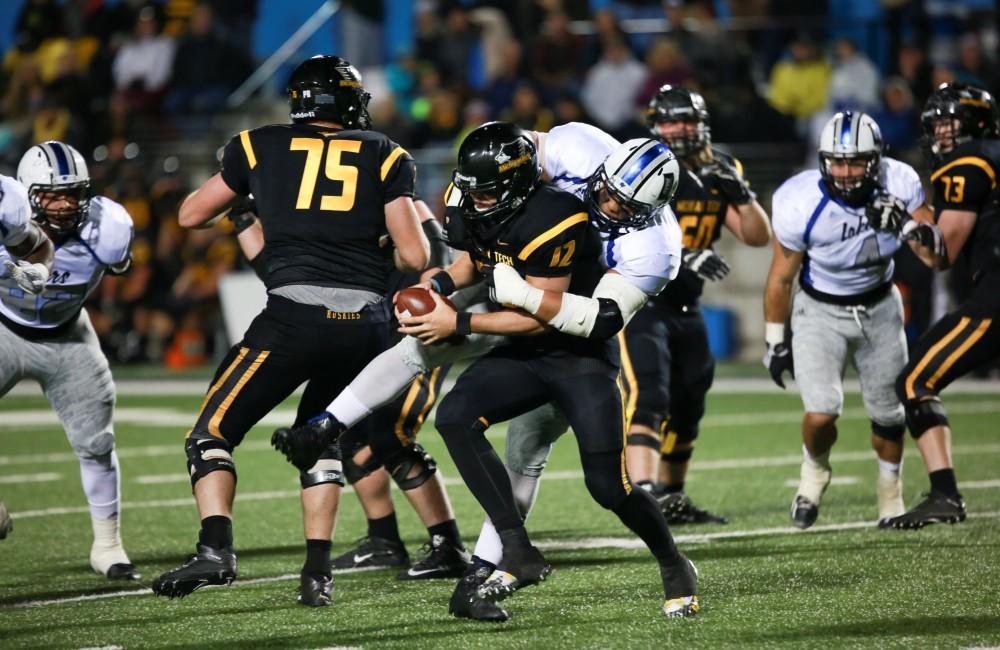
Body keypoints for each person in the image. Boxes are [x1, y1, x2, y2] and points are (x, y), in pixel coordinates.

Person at [273, 122, 700, 621]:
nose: (607, 207)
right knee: (450, 406)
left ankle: (674, 563)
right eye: (605, 192)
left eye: (624, 208)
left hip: (577, 345)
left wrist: (469, 312)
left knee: (602, 485)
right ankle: (488, 560)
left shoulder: (655, 249)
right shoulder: (564, 162)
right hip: (517, 316)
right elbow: (501, 196)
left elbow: (595, 320)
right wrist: (445, 283)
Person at [150, 55, 430, 606]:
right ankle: (316, 575)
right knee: (320, 439)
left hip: (293, 319)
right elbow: (415, 253)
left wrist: (256, 202)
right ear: (347, 101)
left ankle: (215, 549)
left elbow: (188, 215)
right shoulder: (385, 152)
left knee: (210, 435)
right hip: (366, 326)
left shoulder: (256, 146)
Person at [227, 197, 471, 579]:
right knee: (351, 438)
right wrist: (242, 218)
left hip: (417, 339)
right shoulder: (327, 219)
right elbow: (274, 270)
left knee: (390, 435)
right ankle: (384, 541)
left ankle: (449, 545)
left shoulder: (397, 204)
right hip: (371, 344)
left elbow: (430, 259)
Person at [764, 111, 940, 528]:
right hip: (819, 309)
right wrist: (775, 340)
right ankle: (815, 471)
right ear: (823, 160)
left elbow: (935, 257)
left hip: (880, 307)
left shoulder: (900, 183)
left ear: (876, 160)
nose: (845, 172)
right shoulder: (799, 199)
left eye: (856, 162)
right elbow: (781, 276)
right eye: (837, 162)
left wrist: (907, 224)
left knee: (890, 416)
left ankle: (889, 490)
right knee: (822, 412)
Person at [628, 85, 771, 524]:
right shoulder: (638, 165)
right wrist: (686, 254)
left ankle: (672, 496)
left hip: (687, 306)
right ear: (655, 124)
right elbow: (620, 231)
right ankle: (646, 502)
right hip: (641, 299)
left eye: (685, 120)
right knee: (650, 397)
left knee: (690, 402)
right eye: (669, 120)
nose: (677, 129)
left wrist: (742, 194)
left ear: (701, 123)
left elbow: (756, 235)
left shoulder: (721, 168)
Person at [0, 140, 137, 580]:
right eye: (52, 195)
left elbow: (117, 268)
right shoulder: (8, 213)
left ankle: (108, 544)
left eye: (72, 194)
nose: (63, 205)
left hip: (69, 336)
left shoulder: (108, 227)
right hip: (3, 327)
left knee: (97, 444)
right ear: (27, 194)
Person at [882, 83, 1000, 529]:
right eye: (936, 123)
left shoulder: (967, 163)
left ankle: (945, 494)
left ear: (975, 122)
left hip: (995, 293)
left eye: (949, 122)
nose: (941, 132)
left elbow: (940, 253)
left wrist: (904, 223)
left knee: (915, 380)